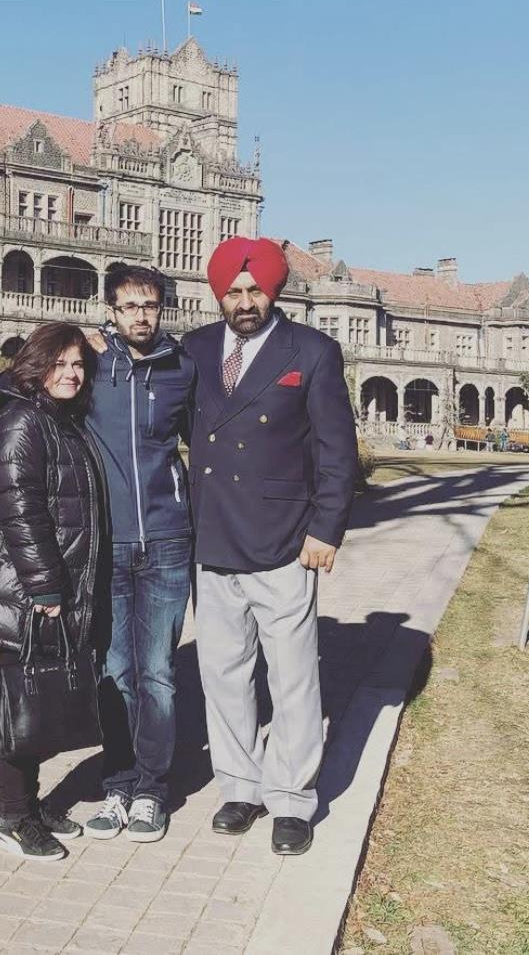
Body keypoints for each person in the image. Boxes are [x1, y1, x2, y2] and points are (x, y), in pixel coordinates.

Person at [181, 236, 356, 857]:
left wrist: (325, 529)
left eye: (256, 290)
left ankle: (290, 798)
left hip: (285, 541)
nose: (245, 301)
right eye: (234, 291)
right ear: (219, 294)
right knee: (223, 672)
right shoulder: (196, 349)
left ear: (274, 291)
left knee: (292, 679)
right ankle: (238, 785)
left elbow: (338, 453)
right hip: (214, 535)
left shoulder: (310, 351)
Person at [81, 264, 196, 845]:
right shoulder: (90, 361)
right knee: (115, 671)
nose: (141, 316)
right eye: (129, 306)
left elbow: (212, 443)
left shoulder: (183, 368)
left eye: (150, 305)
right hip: (109, 542)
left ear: (163, 308)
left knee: (158, 674)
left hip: (168, 541)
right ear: (111, 310)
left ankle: (152, 791)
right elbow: (14, 389)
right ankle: (117, 783)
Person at [0, 322, 106, 861]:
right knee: (21, 703)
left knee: (43, 698)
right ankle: (11, 815)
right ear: (36, 365)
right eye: (59, 363)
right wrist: (45, 586)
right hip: (32, 589)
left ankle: (30, 803)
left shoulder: (61, 420)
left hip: (62, 585)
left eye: (78, 364)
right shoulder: (23, 421)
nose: (71, 373)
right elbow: (21, 511)